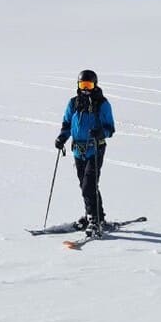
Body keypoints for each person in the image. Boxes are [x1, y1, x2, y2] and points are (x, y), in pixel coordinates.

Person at [54, 69, 115, 233]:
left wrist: (101, 133)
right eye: (82, 85)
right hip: (78, 151)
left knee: (89, 184)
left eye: (89, 85)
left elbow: (110, 128)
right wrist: (61, 138)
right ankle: (97, 216)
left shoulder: (102, 104)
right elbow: (67, 124)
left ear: (95, 85)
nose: (85, 89)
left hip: (95, 149)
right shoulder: (73, 103)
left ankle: (93, 218)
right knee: (86, 185)